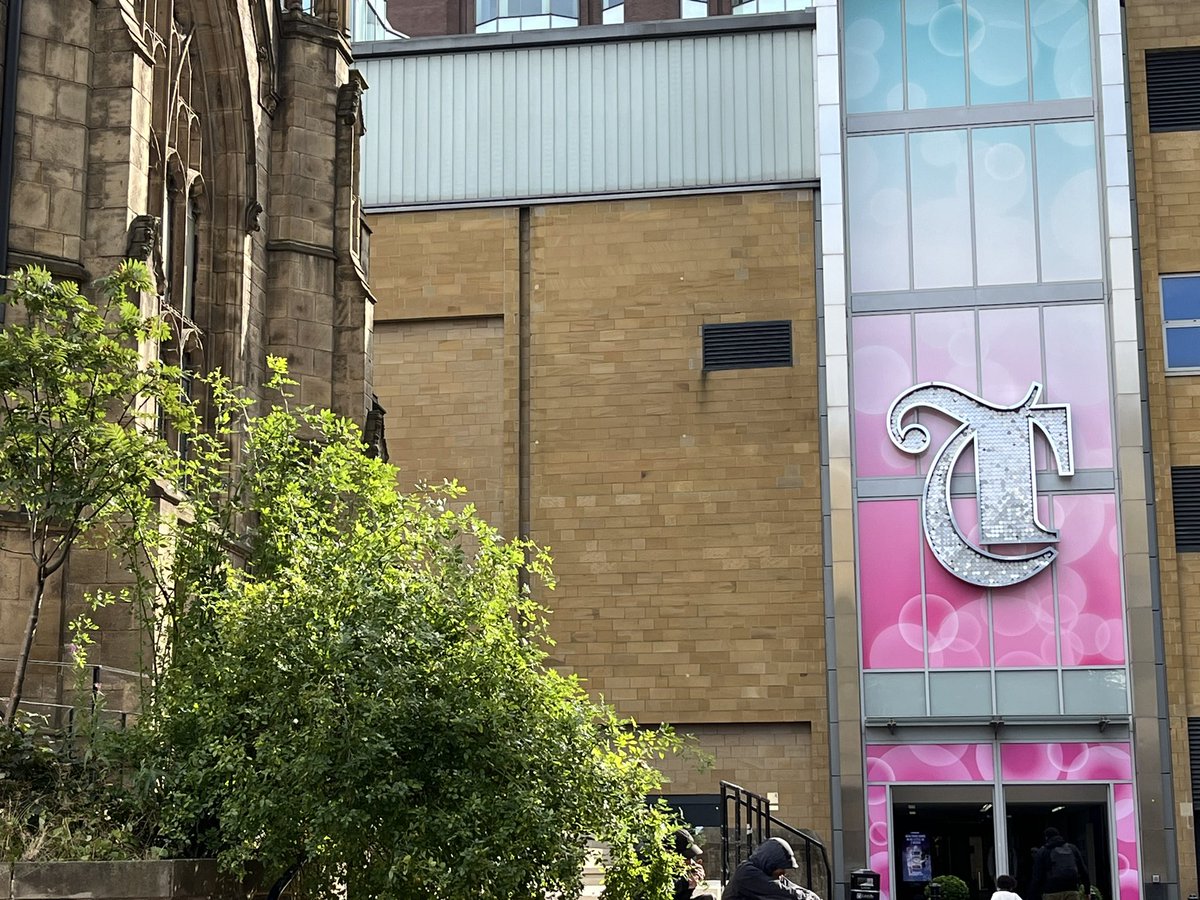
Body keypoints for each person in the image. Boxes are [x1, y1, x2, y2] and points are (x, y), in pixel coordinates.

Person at [722, 836, 822, 900]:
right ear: (771, 863)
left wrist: (811, 896)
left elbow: (790, 887)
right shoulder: (747, 873)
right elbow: (784, 892)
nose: (783, 872)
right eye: (781, 868)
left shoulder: (765, 872)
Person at [1029, 827, 1091, 900]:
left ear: (1046, 838)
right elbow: (1083, 870)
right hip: (1071, 889)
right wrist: (1087, 891)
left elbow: (1037, 876)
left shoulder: (1043, 851)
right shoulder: (1072, 848)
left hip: (1051, 891)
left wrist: (1032, 895)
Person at [672, 829, 716, 900]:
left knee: (710, 898)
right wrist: (687, 882)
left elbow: (696, 867)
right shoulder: (660, 867)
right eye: (686, 858)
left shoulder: (689, 865)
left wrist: (697, 873)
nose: (689, 862)